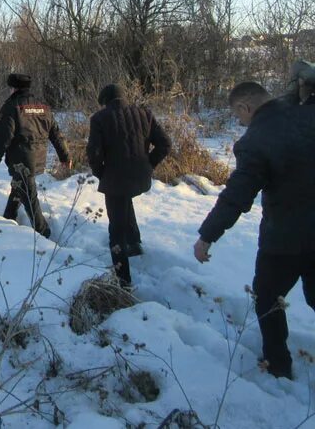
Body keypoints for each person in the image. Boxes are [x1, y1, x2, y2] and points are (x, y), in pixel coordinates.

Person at [194, 82, 315, 380]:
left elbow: (237, 195)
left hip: (284, 239)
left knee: (268, 298)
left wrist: (207, 235)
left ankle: (278, 364)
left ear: (245, 107)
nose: (240, 123)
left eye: (239, 116)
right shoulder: (307, 113)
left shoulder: (256, 140)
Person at [86, 84, 171, 289]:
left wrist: (101, 173)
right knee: (125, 200)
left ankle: (123, 281)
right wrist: (148, 164)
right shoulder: (144, 114)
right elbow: (165, 144)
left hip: (115, 178)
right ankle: (134, 242)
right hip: (140, 177)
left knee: (115, 229)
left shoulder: (99, 119)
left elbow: (94, 153)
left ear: (105, 101)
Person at [0, 73, 71, 238]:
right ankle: (9, 216)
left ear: (13, 88)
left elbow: (3, 136)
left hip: (20, 158)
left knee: (28, 193)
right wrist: (65, 157)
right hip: (39, 156)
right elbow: (56, 134)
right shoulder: (43, 107)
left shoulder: (11, 106)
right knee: (19, 186)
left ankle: (43, 231)